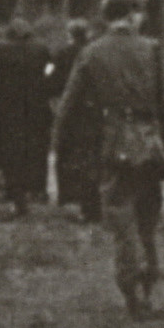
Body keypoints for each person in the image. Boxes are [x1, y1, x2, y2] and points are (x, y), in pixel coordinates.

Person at [54, 0, 164, 318]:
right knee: (148, 219)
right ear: (129, 14)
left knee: (121, 217)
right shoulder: (153, 50)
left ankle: (131, 292)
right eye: (140, 13)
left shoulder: (91, 53)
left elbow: (68, 105)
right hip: (151, 144)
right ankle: (148, 285)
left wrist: (60, 145)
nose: (143, 19)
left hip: (114, 146)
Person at [0, 19, 53, 217]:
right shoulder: (41, 50)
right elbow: (51, 75)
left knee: (8, 152)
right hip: (36, 109)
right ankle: (37, 191)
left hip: (5, 110)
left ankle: (11, 192)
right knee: (36, 150)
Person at [50, 19, 100, 222]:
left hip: (69, 108)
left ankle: (68, 195)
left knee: (67, 152)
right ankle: (91, 199)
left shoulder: (60, 54)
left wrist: (56, 104)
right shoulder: (94, 53)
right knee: (91, 154)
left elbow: (51, 81)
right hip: (91, 110)